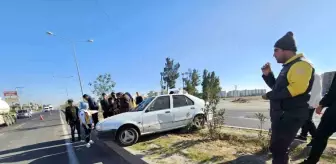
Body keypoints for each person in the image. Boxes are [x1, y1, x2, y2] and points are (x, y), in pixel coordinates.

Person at [261, 31, 314, 164]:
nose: (274, 54)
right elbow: (278, 89)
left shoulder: (301, 65)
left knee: (279, 149)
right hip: (282, 115)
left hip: (291, 115)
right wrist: (268, 75)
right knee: (277, 149)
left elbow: (295, 89)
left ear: (287, 50)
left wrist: (269, 95)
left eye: (276, 50)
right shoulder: (288, 66)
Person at [301, 74, 336, 164]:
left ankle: (311, 161)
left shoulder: (315, 76)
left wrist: (322, 103)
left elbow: (333, 91)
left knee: (321, 136)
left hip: (333, 112)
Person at [295, 73, 322, 144]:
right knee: (305, 119)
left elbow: (316, 90)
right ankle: (303, 135)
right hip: (309, 100)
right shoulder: (308, 75)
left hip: (311, 101)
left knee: (307, 119)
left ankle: (316, 138)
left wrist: (311, 102)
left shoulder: (314, 76)